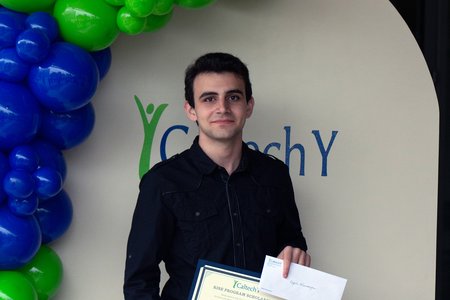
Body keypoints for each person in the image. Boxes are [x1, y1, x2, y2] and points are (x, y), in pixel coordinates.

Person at [124, 52, 310, 299]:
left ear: (248, 106)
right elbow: (139, 281)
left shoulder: (274, 175)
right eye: (209, 99)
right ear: (191, 110)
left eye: (233, 97)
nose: (222, 108)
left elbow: (293, 244)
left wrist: (294, 253)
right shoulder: (163, 182)